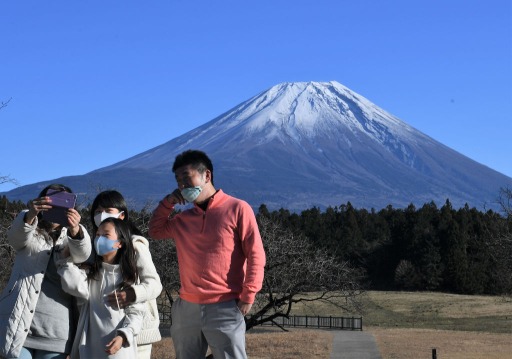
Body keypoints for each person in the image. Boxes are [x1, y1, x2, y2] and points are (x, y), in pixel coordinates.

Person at [149, 149, 266, 359]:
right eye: (178, 180)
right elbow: (155, 231)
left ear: (207, 175)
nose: (182, 185)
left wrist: (248, 295)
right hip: (186, 306)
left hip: (226, 304)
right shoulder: (183, 220)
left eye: (186, 177)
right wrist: (169, 202)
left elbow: (256, 254)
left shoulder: (238, 208)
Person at [0, 184, 92, 359]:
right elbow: (15, 238)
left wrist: (75, 229)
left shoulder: (73, 235)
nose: (56, 208)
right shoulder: (29, 228)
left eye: (63, 203)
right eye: (51, 202)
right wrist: (30, 215)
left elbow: (82, 254)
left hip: (56, 329)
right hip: (18, 322)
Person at [57, 217, 144, 358]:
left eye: (106, 235)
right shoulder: (92, 273)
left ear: (119, 243)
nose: (99, 239)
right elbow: (73, 285)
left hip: (119, 350)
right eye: (97, 235)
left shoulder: (128, 276)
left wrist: (124, 335)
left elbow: (136, 313)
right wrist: (65, 261)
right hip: (89, 349)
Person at [90, 190, 162, 359]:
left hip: (139, 327)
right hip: (105, 328)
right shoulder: (98, 245)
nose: (102, 215)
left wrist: (132, 294)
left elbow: (154, 283)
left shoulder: (135, 245)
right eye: (98, 211)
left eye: (108, 210)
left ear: (122, 215)